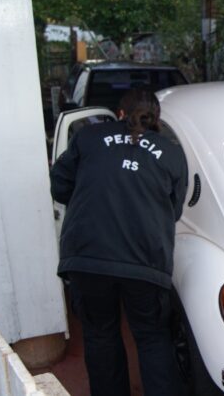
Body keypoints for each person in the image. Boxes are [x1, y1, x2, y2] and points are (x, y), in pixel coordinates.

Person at [50, 88, 188, 396]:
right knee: (152, 337)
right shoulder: (172, 153)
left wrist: (92, 199)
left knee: (100, 335)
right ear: (156, 118)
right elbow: (174, 210)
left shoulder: (88, 137)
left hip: (87, 255)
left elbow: (59, 186)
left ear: (120, 114)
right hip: (146, 260)